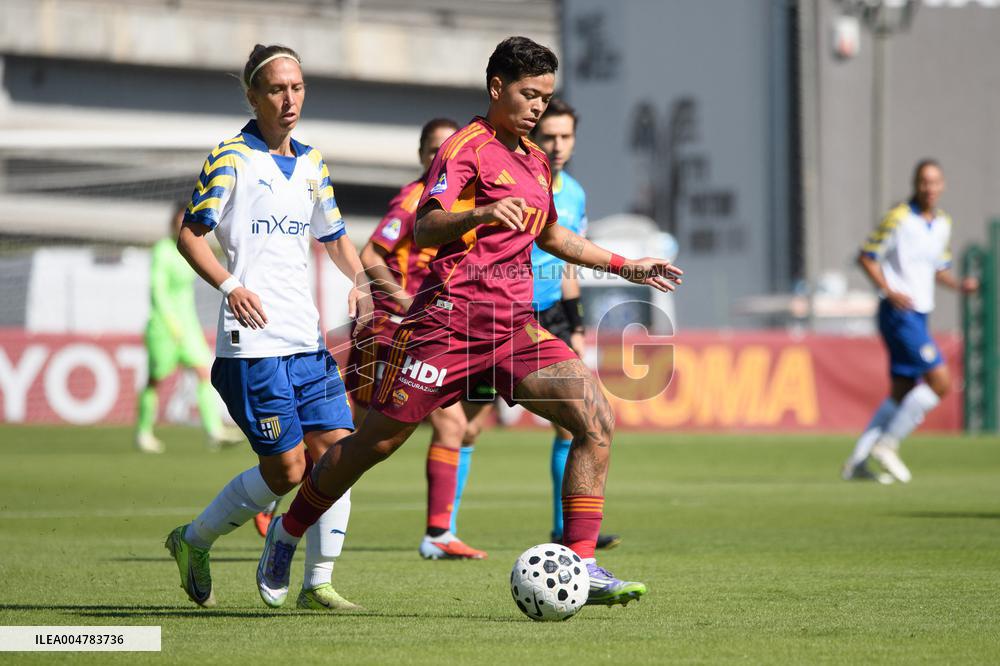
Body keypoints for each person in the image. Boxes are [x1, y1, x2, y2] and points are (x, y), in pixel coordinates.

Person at [256, 36, 682, 610]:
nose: (538, 107)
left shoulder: (534, 160)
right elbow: (426, 227)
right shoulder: (465, 148)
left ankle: (582, 564)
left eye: (546, 97)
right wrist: (481, 212)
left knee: (596, 420)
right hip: (446, 326)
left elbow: (551, 234)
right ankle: (287, 533)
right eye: (529, 95)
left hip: (513, 327)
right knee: (373, 445)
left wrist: (625, 264)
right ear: (497, 88)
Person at [164, 44, 372, 612]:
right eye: (277, 89)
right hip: (251, 342)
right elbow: (190, 233)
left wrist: (359, 280)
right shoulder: (231, 157)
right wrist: (231, 286)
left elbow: (332, 235)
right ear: (253, 96)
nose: (289, 99)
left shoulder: (313, 163)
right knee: (286, 471)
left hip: (305, 341)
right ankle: (193, 540)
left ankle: (317, 582)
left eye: (298, 87)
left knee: (342, 455)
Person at [455, 99, 620, 549]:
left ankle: (565, 531)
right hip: (499, 314)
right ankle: (442, 529)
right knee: (468, 425)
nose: (558, 145)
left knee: (576, 423)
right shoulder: (504, 172)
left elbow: (569, 264)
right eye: (550, 136)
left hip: (550, 315)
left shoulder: (575, 193)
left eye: (566, 137)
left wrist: (577, 324)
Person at [343, 116, 487, 560]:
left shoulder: (460, 202)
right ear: (424, 155)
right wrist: (406, 302)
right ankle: (282, 488)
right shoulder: (414, 199)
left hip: (428, 329)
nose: (441, 157)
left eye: (449, 149)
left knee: (452, 423)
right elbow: (370, 253)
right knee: (349, 426)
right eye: (433, 150)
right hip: (392, 329)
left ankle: (439, 533)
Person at [842, 159, 977, 483]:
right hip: (898, 313)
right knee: (940, 381)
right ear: (915, 184)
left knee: (901, 391)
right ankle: (888, 445)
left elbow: (938, 267)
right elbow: (866, 255)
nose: (929, 188)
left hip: (920, 313)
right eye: (923, 182)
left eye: (934, 182)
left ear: (942, 185)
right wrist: (889, 290)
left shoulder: (943, 222)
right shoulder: (899, 218)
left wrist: (958, 284)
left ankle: (857, 463)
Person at [135, 201, 242, 454]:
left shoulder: (191, 247)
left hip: (188, 323)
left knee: (204, 373)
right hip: (164, 324)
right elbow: (157, 290)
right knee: (155, 380)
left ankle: (214, 431)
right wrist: (170, 323)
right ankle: (143, 431)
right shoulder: (163, 250)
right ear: (172, 223)